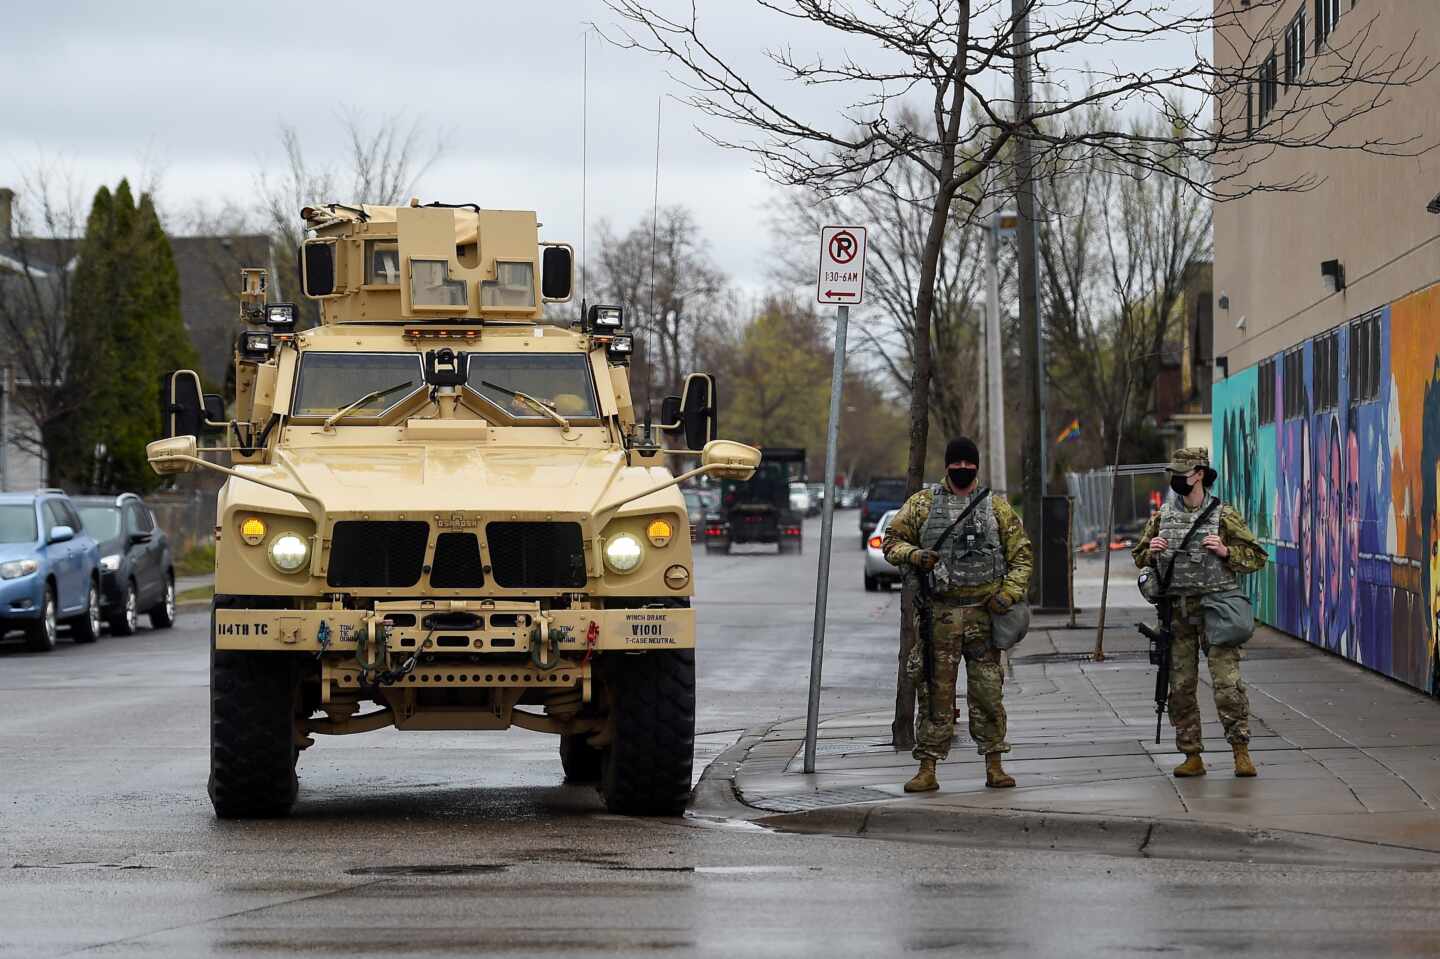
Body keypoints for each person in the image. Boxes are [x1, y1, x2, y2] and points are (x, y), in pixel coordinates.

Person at [882, 436, 1033, 792]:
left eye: (969, 465)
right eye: (957, 465)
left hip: (984, 616)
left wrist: (1009, 595)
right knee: (936, 695)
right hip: (940, 617)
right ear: (947, 466)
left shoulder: (996, 509)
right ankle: (928, 768)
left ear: (977, 467)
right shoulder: (922, 506)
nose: (963, 471)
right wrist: (916, 556)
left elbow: (1022, 556)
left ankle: (995, 763)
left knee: (988, 693)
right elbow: (891, 542)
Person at [1132, 447, 1268, 778]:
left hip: (1216, 611)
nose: (1177, 478)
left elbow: (1257, 556)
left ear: (1200, 474)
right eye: (1174, 473)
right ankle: (1191, 754)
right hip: (1178, 614)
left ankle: (1240, 750)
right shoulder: (1162, 517)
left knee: (1227, 684)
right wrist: (1151, 552)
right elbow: (1138, 556)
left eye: (1183, 472)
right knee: (1180, 686)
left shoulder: (1223, 515)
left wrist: (1226, 551)